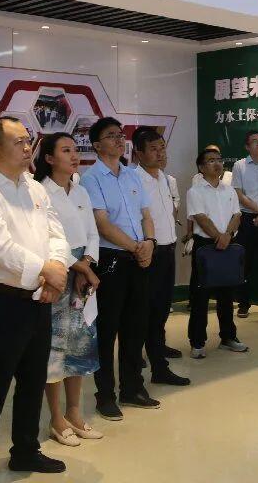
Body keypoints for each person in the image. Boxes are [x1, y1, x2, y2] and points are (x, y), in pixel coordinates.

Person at [0, 116, 73, 481]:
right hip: (2, 302)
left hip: (40, 297)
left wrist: (56, 268)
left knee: (32, 381)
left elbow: (56, 233)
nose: (27, 148)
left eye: (29, 141)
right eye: (19, 142)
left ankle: (25, 451)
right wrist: (47, 270)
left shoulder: (34, 187)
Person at [79, 117, 160, 421]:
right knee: (107, 329)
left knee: (136, 326)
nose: (118, 139)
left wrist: (149, 242)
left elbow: (146, 215)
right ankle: (105, 395)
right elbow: (101, 223)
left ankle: (132, 387)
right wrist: (136, 247)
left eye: (120, 134)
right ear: (97, 145)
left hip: (139, 257)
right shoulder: (91, 178)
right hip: (112, 260)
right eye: (111, 136)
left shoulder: (132, 176)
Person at [33, 133, 104, 447]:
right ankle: (56, 418)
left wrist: (87, 264)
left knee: (81, 345)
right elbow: (46, 239)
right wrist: (78, 267)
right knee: (55, 348)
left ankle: (75, 412)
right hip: (57, 273)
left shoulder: (81, 190)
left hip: (83, 273)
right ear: (49, 158)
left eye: (75, 150)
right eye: (66, 150)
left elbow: (92, 233)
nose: (74, 155)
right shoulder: (40, 191)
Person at [132, 128, 190, 387]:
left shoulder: (165, 179)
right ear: (138, 153)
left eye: (162, 148)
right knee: (145, 311)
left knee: (161, 309)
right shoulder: (133, 180)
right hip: (148, 253)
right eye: (153, 149)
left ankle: (158, 363)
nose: (160, 153)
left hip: (167, 249)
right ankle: (141, 361)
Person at [185, 147, 249, 356]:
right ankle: (197, 342)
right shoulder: (195, 191)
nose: (217, 163)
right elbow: (201, 218)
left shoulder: (229, 190)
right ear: (201, 167)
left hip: (227, 244)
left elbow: (237, 215)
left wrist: (227, 235)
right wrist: (218, 237)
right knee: (200, 296)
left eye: (219, 160)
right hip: (205, 246)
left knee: (226, 294)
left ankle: (228, 337)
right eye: (211, 160)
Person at [231, 130, 258, 318]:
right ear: (247, 146)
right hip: (247, 219)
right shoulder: (239, 166)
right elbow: (239, 194)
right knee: (245, 263)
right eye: (254, 141)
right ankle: (243, 303)